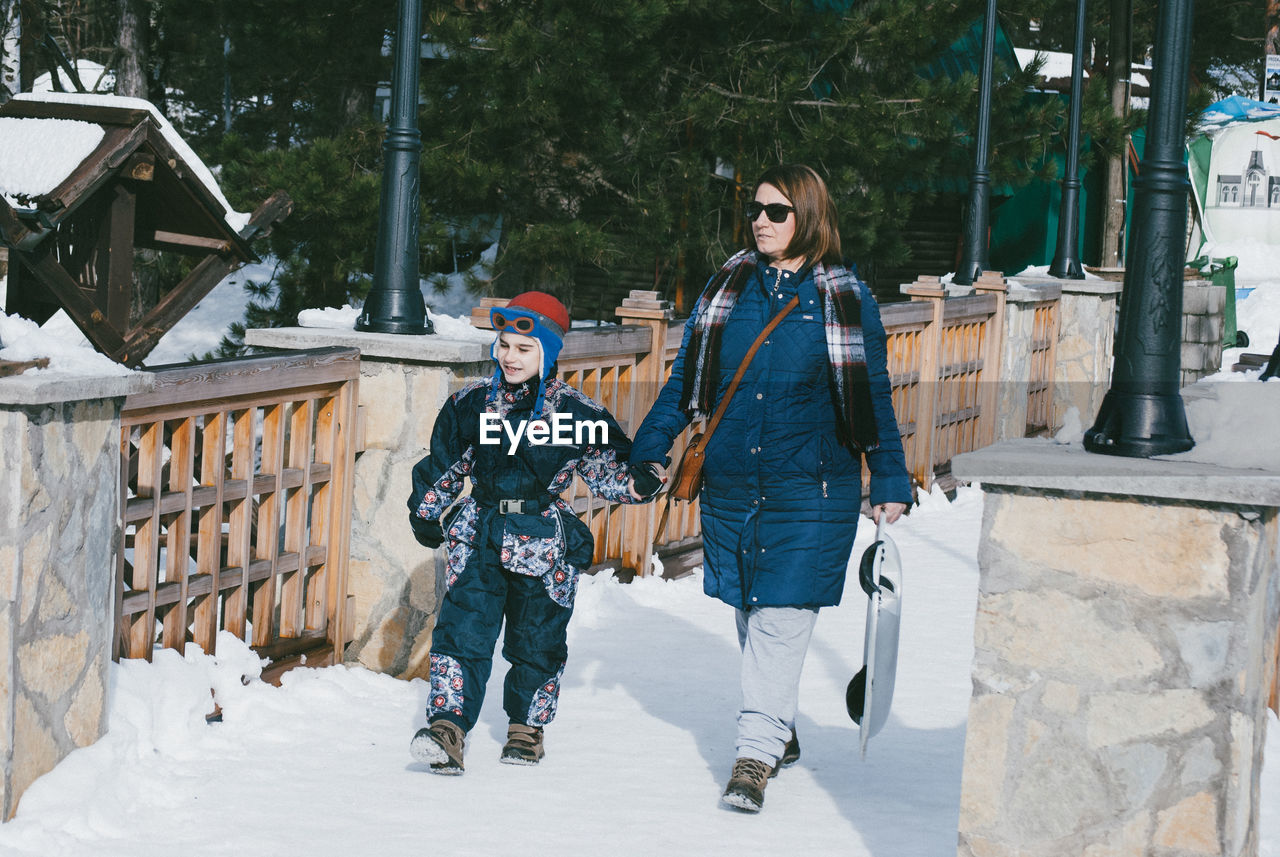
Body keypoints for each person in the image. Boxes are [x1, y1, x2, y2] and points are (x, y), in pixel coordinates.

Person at [630, 164, 911, 812]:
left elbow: (872, 395)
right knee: (754, 610)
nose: (761, 220)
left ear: (808, 216)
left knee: (782, 617)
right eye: (756, 209)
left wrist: (890, 476)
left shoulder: (843, 298)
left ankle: (754, 752)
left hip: (812, 490)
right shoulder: (728, 286)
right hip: (733, 486)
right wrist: (651, 445)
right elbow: (685, 382)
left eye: (776, 211)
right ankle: (778, 727)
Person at [407, 291, 662, 775]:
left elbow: (609, 470)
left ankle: (526, 726)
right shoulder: (470, 405)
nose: (509, 357)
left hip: (544, 543)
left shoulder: (577, 413)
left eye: (523, 349)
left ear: (547, 351)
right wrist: (427, 510)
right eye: (504, 345)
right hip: (478, 533)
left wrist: (640, 479)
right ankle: (447, 728)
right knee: (462, 633)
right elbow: (445, 465)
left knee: (538, 638)